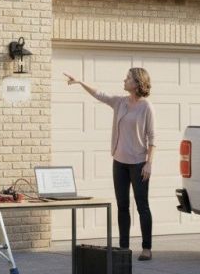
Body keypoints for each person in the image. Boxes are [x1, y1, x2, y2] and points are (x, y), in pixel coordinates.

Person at [64, 68, 155, 261]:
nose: (124, 79)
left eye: (128, 78)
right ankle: (124, 248)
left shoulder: (146, 107)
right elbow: (100, 94)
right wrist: (80, 82)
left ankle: (146, 248)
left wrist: (149, 163)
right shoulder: (120, 102)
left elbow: (152, 137)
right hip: (119, 162)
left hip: (139, 164)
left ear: (138, 83)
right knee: (122, 205)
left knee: (142, 205)